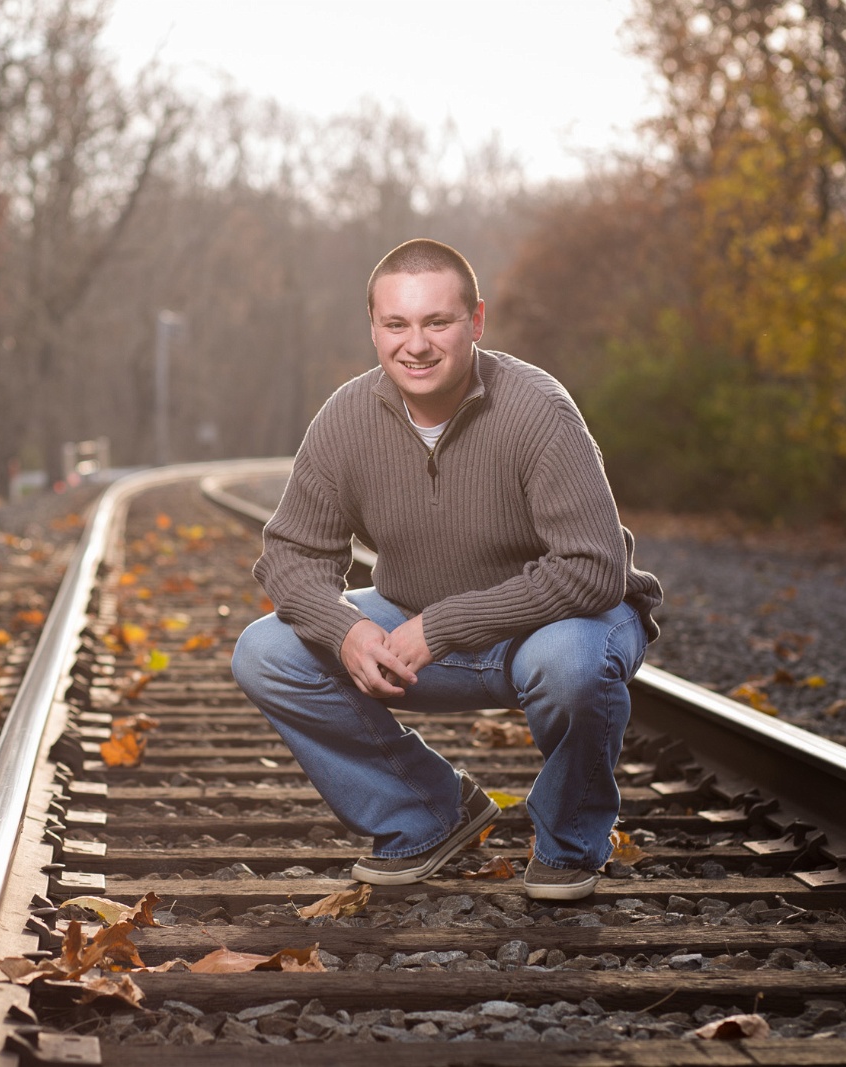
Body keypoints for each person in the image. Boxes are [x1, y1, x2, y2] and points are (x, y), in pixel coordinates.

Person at [230, 238, 662, 900]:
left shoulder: (536, 409)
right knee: (265, 651)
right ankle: (428, 812)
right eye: (396, 324)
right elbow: (292, 553)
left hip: (556, 626)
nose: (416, 345)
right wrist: (345, 629)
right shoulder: (346, 418)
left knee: (572, 665)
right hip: (415, 622)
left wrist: (446, 625)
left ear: (476, 321)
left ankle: (571, 842)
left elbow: (593, 568)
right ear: (373, 327)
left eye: (437, 322)